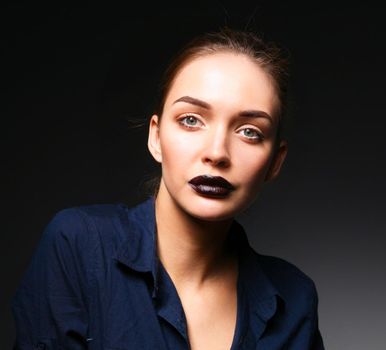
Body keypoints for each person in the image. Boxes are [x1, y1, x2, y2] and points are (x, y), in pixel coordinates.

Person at [11, 27, 324, 349]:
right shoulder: (80, 245)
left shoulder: (293, 298)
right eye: (191, 120)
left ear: (275, 161)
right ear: (156, 138)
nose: (216, 152)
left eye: (249, 131)